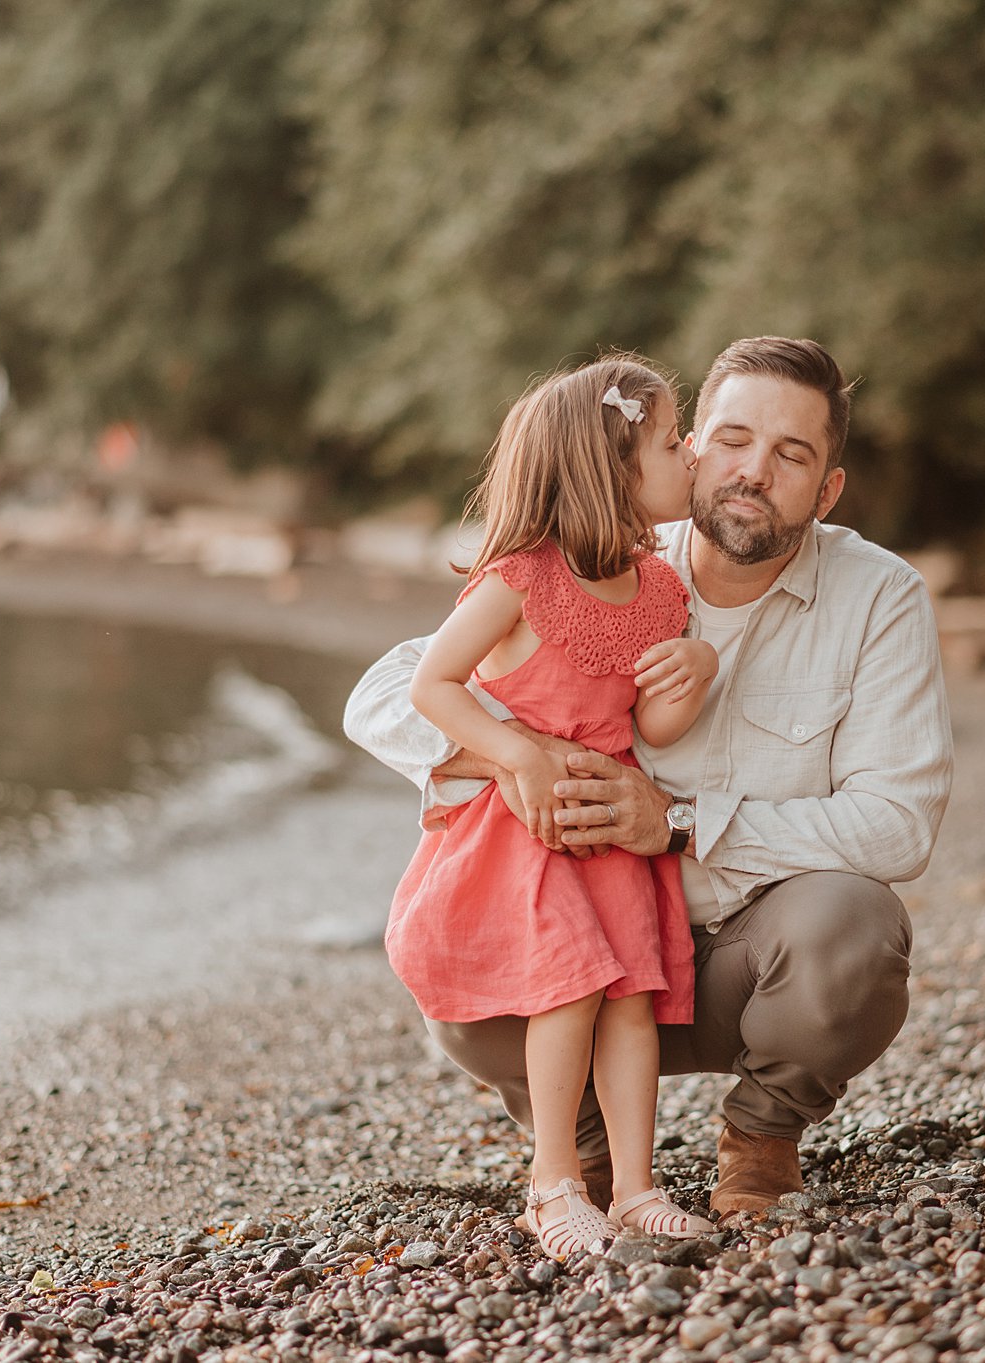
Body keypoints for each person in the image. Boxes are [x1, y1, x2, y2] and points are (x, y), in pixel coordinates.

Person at [347, 336, 953, 1220]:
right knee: (466, 989)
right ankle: (582, 1150)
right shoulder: (602, 553)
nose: (753, 471)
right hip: (585, 940)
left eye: (792, 455)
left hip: (751, 957)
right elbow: (383, 695)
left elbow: (898, 824)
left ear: (827, 489)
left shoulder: (879, 598)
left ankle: (760, 1137)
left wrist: (672, 819)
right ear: (692, 445)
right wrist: (523, 752)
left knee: (855, 928)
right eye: (732, 440)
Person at [387, 354, 720, 1257]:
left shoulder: (661, 590)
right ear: (611, 470)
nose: (688, 450)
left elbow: (648, 720)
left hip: (610, 831)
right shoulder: (521, 577)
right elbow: (433, 683)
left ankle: (639, 1187)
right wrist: (514, 754)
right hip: (529, 831)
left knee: (629, 1003)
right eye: (668, 438)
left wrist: (694, 675)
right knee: (569, 990)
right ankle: (552, 1183)